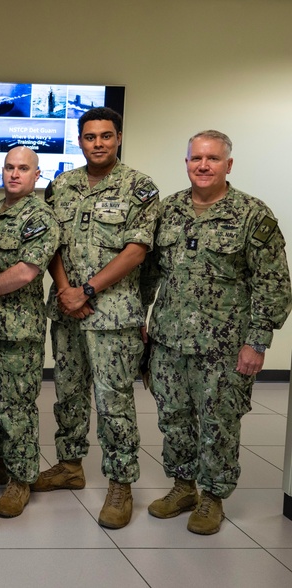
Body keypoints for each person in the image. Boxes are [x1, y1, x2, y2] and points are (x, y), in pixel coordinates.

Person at [146, 130, 291, 534]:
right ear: (187, 162)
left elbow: (274, 283)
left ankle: (212, 496)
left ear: (228, 165)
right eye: (196, 159)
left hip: (224, 346)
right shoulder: (169, 210)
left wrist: (257, 342)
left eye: (212, 159)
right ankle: (183, 486)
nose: (203, 166)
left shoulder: (251, 215)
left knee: (218, 422)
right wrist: (143, 321)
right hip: (169, 339)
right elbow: (150, 273)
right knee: (173, 417)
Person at [36, 107, 161, 530]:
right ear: (80, 140)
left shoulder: (140, 187)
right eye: (90, 137)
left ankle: (121, 481)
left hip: (113, 314)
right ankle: (70, 464)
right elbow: (50, 244)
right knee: (67, 392)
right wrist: (68, 290)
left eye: (106, 136)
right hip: (68, 311)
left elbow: (136, 250)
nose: (98, 143)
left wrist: (87, 290)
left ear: (119, 138)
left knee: (114, 401)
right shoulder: (61, 185)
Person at [0, 146, 59, 518]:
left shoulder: (40, 217)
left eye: (23, 168)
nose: (14, 173)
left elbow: (26, 271)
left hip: (17, 330)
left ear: (36, 175)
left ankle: (22, 479)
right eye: (9, 167)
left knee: (15, 407)